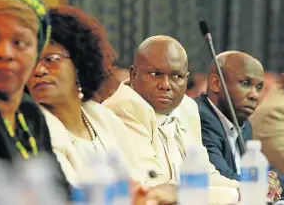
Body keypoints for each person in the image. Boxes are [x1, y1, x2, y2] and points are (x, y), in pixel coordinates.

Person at [26, 6, 178, 205]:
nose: (39, 70)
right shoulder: (31, 127)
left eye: (51, 59)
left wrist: (165, 191)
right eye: (32, 61)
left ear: (80, 64)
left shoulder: (102, 117)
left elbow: (146, 180)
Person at [103, 35, 240, 203]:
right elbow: (152, 190)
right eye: (155, 74)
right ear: (133, 75)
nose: (166, 85)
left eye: (176, 77)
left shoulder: (187, 107)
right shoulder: (122, 110)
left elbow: (205, 174)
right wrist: (234, 195)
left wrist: (249, 188)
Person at [0, 0, 70, 198]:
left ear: (37, 53)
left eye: (19, 42)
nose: (4, 53)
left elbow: (60, 191)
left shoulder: (29, 112)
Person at [196, 51, 284, 201]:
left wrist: (272, 182)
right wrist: (261, 183)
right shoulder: (201, 116)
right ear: (216, 84)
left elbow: (259, 172)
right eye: (245, 84)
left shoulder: (244, 125)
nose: (254, 95)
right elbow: (221, 174)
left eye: (259, 87)